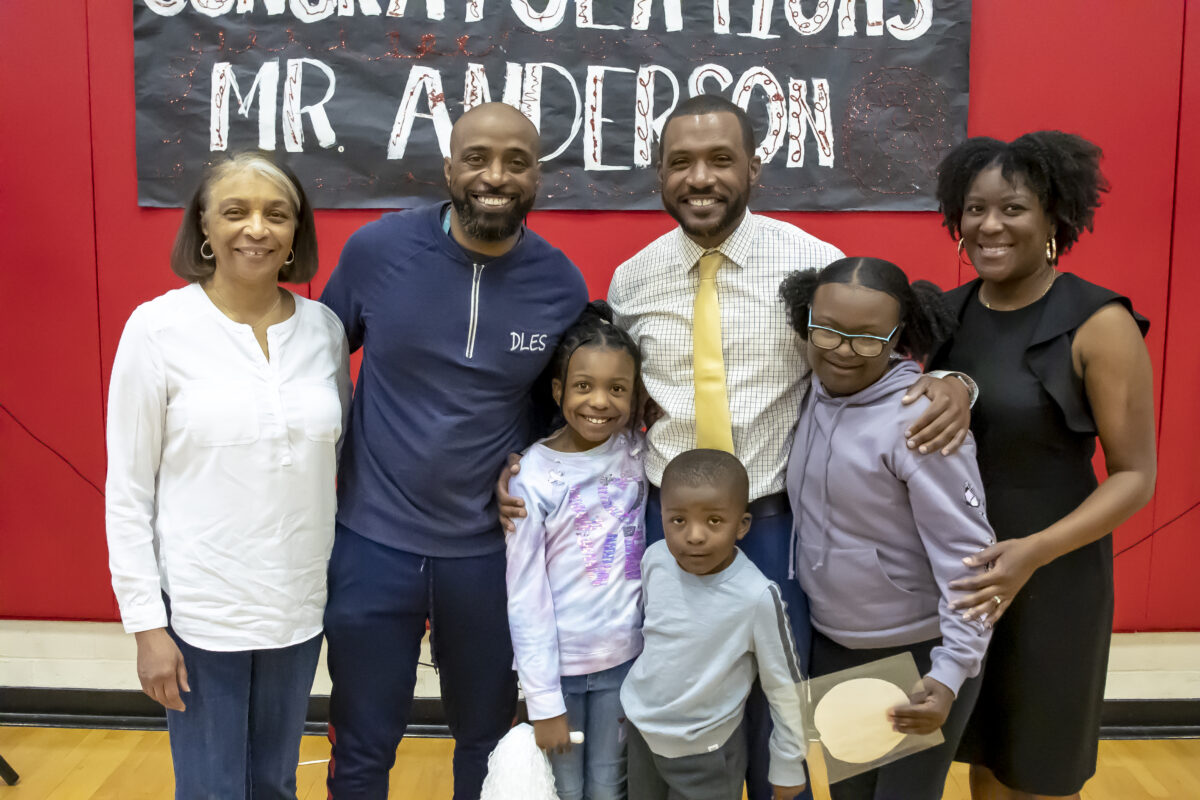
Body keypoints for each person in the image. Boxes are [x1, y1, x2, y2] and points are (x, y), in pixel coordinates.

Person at [503, 93, 975, 800]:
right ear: (658, 173)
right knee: (673, 688)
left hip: (776, 520)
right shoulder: (632, 279)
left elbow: (876, 357)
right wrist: (532, 466)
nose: (701, 178)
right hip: (664, 519)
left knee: (780, 700)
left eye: (721, 160)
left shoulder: (813, 263)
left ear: (755, 166)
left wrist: (953, 379)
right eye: (681, 163)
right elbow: (603, 390)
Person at [319, 102, 589, 799]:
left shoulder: (560, 286)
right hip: (372, 541)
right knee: (362, 746)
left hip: (492, 555)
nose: (494, 175)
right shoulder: (377, 251)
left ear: (538, 178)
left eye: (516, 162)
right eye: (477, 158)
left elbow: (559, 411)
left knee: (490, 745)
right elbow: (311, 363)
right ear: (449, 169)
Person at [105, 151, 350, 799]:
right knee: (213, 789)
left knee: (273, 783)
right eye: (235, 212)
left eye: (277, 214)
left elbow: (342, 457)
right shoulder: (158, 330)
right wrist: (147, 628)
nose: (257, 228)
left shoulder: (323, 331)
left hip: (297, 610)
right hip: (200, 613)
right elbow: (128, 493)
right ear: (204, 229)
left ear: (297, 232)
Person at [929, 132, 1156, 800]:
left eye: (1013, 208)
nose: (989, 225)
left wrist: (1034, 552)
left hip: (1053, 576)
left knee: (1039, 769)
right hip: (964, 580)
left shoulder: (1098, 322)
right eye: (975, 209)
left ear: (1056, 216)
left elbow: (1136, 475)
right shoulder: (950, 314)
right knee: (985, 761)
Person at [780, 257, 995, 799]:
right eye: (826, 330)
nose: (842, 350)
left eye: (867, 338)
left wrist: (949, 674)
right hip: (834, 643)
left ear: (901, 337)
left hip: (920, 651)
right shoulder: (811, 392)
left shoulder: (919, 421)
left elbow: (971, 559)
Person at [505, 301, 647, 800]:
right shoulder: (533, 477)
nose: (600, 402)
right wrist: (542, 701)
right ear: (558, 390)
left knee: (610, 789)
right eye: (584, 386)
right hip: (559, 673)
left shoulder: (636, 451)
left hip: (626, 663)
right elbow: (525, 594)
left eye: (618, 389)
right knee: (563, 791)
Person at [621, 449, 808, 800]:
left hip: (707, 756)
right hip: (643, 737)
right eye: (678, 520)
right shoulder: (656, 559)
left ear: (742, 525)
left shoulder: (757, 596)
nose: (694, 536)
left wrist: (788, 761)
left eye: (714, 521)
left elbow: (786, 685)